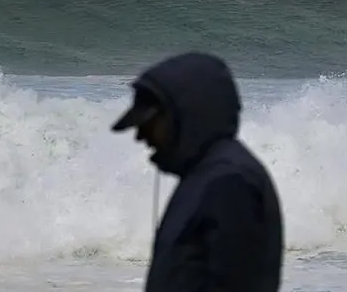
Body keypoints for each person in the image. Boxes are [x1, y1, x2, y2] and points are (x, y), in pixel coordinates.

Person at [111, 51, 284, 292]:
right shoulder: (202, 177)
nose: (141, 136)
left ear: (186, 113)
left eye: (150, 123)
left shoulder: (229, 183)